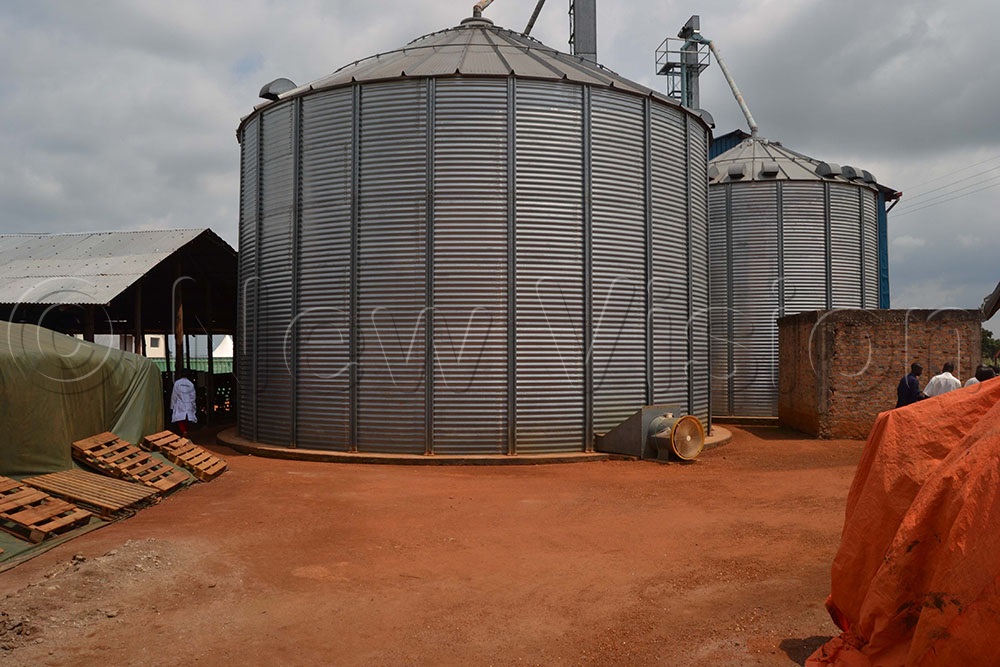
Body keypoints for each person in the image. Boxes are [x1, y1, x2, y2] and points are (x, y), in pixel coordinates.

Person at [170, 370, 198, 437]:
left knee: (180, 419)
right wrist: (194, 406)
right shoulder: (190, 384)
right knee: (186, 418)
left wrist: (172, 406)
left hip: (180, 403)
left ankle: (183, 431)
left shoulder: (177, 383)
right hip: (188, 404)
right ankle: (185, 431)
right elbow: (193, 397)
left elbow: (174, 395)